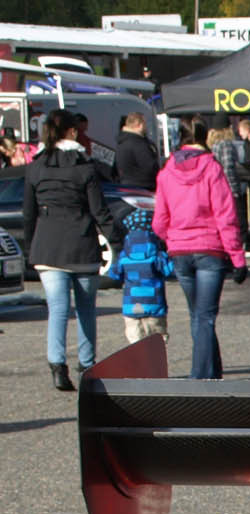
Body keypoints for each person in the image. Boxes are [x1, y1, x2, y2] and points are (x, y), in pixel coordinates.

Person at [24, 110, 122, 391]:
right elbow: (99, 211)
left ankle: (57, 366)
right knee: (86, 309)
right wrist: (116, 241)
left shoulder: (36, 166)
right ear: (71, 132)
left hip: (47, 247)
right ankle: (86, 365)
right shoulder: (85, 167)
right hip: (81, 244)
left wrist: (31, 248)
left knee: (57, 309)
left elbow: (28, 213)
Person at [153, 115, 246, 379]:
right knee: (204, 317)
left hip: (180, 250)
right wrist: (237, 258)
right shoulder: (211, 168)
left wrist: (171, 239)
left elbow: (159, 219)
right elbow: (225, 216)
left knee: (198, 315)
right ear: (205, 137)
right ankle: (201, 376)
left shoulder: (167, 170)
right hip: (209, 249)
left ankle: (211, 371)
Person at [105, 207, 173, 348]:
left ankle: (139, 367)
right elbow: (169, 270)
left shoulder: (124, 255)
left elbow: (114, 274)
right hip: (155, 305)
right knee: (157, 343)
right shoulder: (157, 254)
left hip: (131, 305)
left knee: (135, 343)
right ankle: (155, 368)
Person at [114, 112, 160, 190]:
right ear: (140, 125)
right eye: (145, 123)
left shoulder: (121, 142)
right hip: (144, 187)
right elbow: (150, 167)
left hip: (126, 186)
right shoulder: (139, 143)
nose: (146, 127)